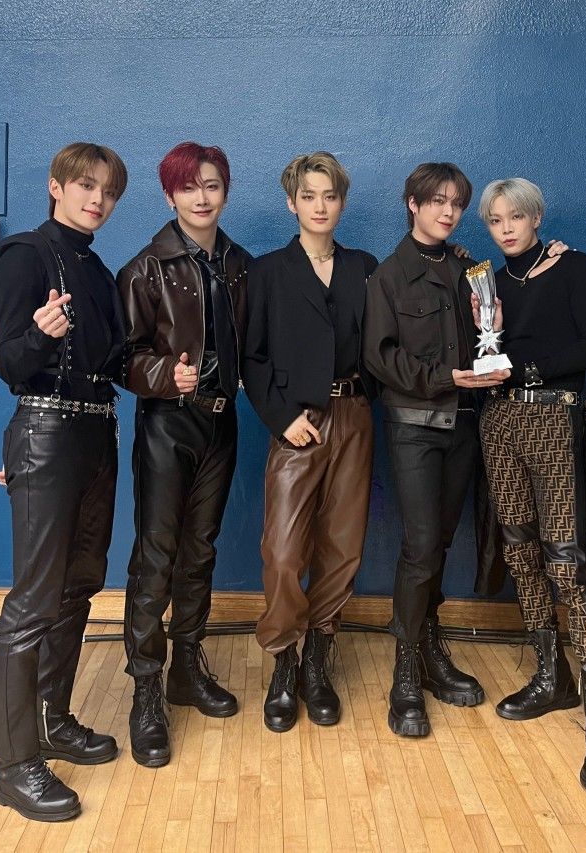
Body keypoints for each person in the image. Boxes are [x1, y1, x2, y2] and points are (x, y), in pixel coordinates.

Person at [0, 142, 128, 821]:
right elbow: (11, 365)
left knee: (79, 585)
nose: (97, 199)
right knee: (34, 600)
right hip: (46, 429)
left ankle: (51, 719)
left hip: (97, 433)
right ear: (56, 186)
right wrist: (41, 336)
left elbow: (116, 363)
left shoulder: (97, 271)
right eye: (85, 185)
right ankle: (13, 765)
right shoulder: (24, 255)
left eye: (108, 191)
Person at [477, 177, 586, 794]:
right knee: (519, 549)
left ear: (536, 218)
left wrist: (526, 368)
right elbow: (484, 351)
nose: (506, 228)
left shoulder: (574, 266)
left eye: (516, 217)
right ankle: (551, 675)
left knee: (566, 559)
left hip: (552, 417)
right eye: (495, 220)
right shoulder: (488, 283)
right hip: (498, 420)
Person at [362, 163, 508, 739]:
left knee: (442, 541)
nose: (448, 212)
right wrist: (444, 378)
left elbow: (489, 344)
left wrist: (488, 335)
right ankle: (405, 671)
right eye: (437, 201)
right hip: (415, 426)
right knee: (421, 543)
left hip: (464, 426)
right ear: (412, 204)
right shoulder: (388, 275)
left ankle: (429, 650)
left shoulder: (471, 270)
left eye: (456, 204)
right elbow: (379, 356)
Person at [118, 142, 251, 766]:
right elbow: (123, 356)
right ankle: (146, 688)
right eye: (189, 186)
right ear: (169, 195)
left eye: (212, 185)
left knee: (201, 549)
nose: (202, 197)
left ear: (225, 191)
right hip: (167, 425)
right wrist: (164, 374)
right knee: (156, 555)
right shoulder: (145, 268)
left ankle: (186, 668)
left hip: (222, 424)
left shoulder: (240, 265)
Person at [244, 152, 378, 732]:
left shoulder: (364, 267)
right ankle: (284, 658)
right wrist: (281, 418)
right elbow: (252, 357)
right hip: (297, 420)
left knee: (342, 547)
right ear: (291, 203)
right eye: (308, 196)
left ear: (341, 203)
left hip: (354, 414)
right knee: (282, 551)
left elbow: (385, 338)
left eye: (330, 195)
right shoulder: (268, 272)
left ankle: (318, 657)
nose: (320, 206)